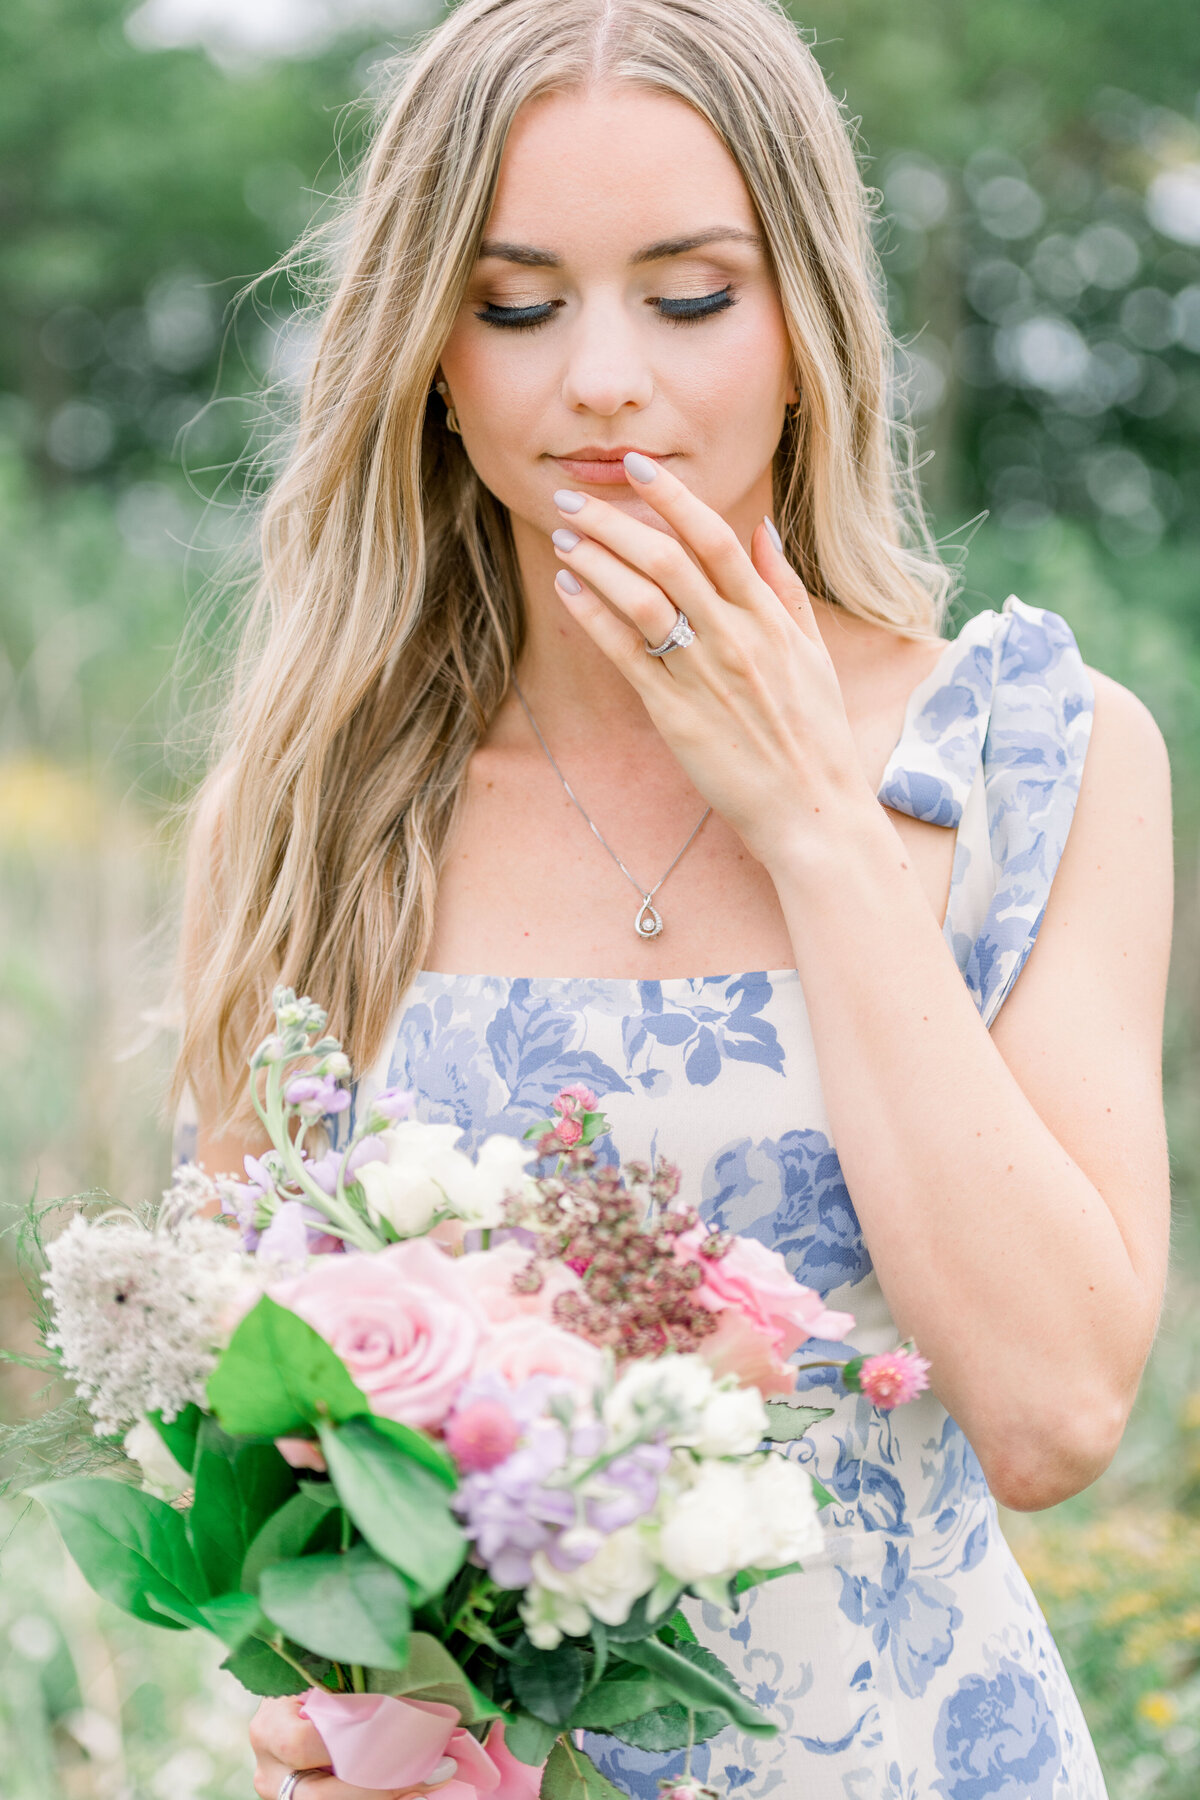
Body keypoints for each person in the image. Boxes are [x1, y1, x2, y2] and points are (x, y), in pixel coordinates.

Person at [174, 1, 1173, 1795]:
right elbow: (258, 1452)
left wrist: (809, 821)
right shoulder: (309, 805)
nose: (602, 379)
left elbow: (1052, 1413)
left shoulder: (1040, 757)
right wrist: (314, 1702)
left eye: (691, 294)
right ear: (429, 353)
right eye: (516, 303)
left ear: (805, 326)